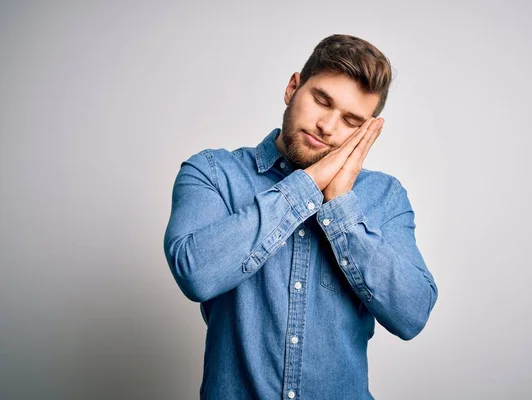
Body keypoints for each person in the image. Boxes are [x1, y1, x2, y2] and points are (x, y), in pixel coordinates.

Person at [163, 33, 438, 400]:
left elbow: (412, 314)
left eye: (351, 120)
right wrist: (308, 185)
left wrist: (339, 205)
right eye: (322, 100)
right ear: (293, 87)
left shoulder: (384, 197)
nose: (327, 126)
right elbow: (196, 273)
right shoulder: (213, 172)